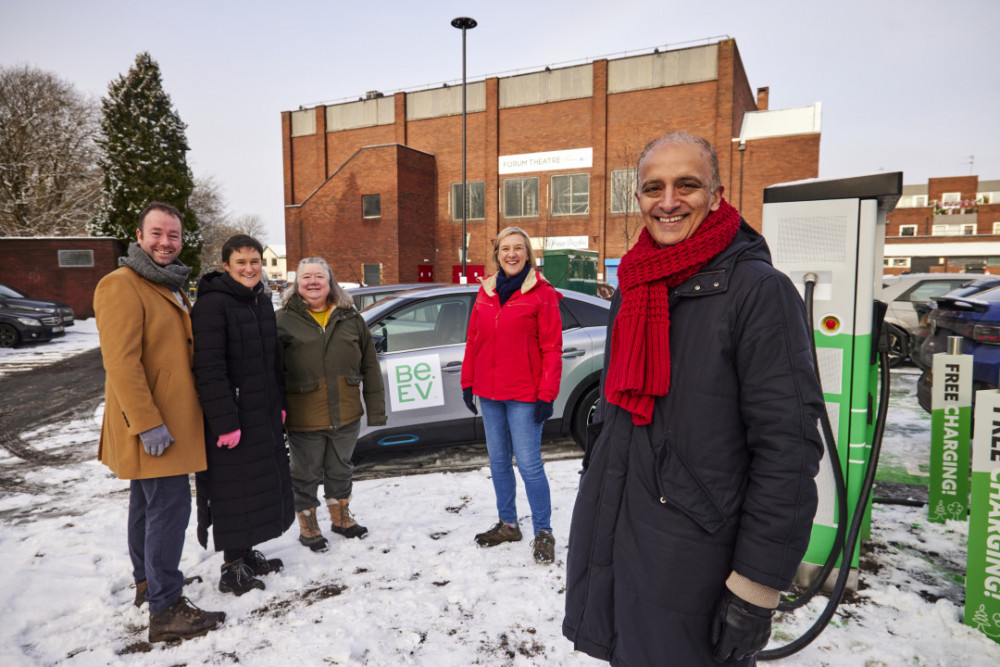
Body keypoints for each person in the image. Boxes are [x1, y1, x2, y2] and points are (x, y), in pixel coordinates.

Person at [562, 132, 825, 666]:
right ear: (637, 198)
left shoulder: (759, 292)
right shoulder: (636, 286)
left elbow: (789, 450)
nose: (668, 201)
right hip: (627, 536)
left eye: (687, 185)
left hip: (699, 558)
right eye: (652, 187)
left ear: (718, 194)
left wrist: (755, 587)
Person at [94, 202, 225, 643]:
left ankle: (150, 584)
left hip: (167, 420)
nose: (165, 242)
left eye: (173, 235)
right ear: (138, 234)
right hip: (155, 426)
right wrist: (148, 423)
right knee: (169, 510)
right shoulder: (121, 285)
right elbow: (122, 363)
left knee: (147, 507)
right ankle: (166, 610)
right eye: (157, 234)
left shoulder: (165, 283)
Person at [191, 234, 295, 596]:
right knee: (234, 489)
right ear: (226, 266)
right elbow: (209, 368)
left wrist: (279, 402)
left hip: (262, 412)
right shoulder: (212, 305)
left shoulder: (261, 302)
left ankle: (247, 552)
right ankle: (231, 567)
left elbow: (271, 361)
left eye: (255, 262)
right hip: (233, 418)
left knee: (257, 485)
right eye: (241, 263)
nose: (250, 268)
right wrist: (225, 422)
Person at [461, 226, 563, 565]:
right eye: (506, 248)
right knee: (499, 463)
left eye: (518, 248)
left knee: (530, 466)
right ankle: (508, 524)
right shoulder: (485, 291)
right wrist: (467, 381)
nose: (512, 254)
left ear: (527, 254)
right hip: (489, 394)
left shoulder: (542, 292)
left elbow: (552, 347)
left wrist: (547, 394)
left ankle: (544, 532)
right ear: (497, 254)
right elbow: (473, 340)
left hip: (524, 395)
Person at [276, 257, 386, 550]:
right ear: (297, 284)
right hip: (303, 415)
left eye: (319, 277)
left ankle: (341, 519)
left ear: (330, 282)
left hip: (346, 413)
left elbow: (370, 366)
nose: (313, 282)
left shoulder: (350, 318)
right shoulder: (282, 321)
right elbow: (271, 372)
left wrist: (376, 410)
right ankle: (308, 525)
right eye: (306, 277)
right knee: (304, 473)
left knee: (341, 469)